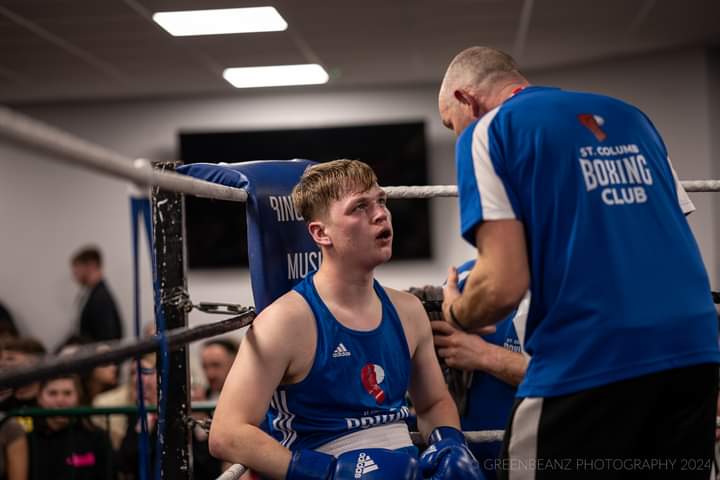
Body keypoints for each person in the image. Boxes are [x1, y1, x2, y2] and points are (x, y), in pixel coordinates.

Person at [437, 46, 720, 478]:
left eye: (451, 124)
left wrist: (456, 309)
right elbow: (671, 235)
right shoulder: (630, 117)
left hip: (591, 358)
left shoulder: (489, 131)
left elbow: (500, 286)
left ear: (466, 100)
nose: (458, 135)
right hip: (694, 350)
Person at [210, 160, 484, 479]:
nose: (381, 213)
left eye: (381, 200)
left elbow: (433, 402)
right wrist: (327, 473)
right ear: (320, 233)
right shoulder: (285, 321)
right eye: (360, 207)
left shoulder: (408, 311)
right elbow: (226, 433)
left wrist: (448, 442)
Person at [430, 260, 528, 479]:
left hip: (541, 453)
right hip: (471, 460)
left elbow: (578, 375)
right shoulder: (462, 280)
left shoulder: (564, 283)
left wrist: (484, 355)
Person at [28, 375, 111, 480]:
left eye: (67, 393)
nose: (60, 400)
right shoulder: (28, 438)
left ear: (78, 397)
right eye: (52, 393)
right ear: (39, 397)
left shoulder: (96, 437)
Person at [70, 246, 123, 342]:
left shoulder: (100, 299)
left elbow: (108, 340)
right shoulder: (95, 294)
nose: (74, 274)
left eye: (77, 268)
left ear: (91, 265)